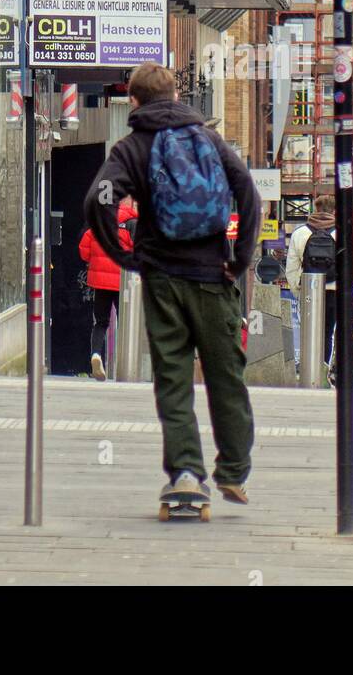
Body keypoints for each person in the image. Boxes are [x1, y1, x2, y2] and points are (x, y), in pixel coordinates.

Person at [83, 62, 260, 508]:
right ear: (177, 95)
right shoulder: (209, 138)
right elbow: (248, 193)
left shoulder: (131, 147)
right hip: (214, 276)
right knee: (226, 376)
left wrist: (125, 255)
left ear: (134, 100)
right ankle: (234, 470)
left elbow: (98, 199)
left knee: (173, 378)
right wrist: (238, 261)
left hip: (162, 277)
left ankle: (185, 472)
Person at [78, 197, 137, 380]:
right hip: (123, 281)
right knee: (125, 324)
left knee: (101, 322)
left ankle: (96, 355)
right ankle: (124, 366)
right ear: (130, 204)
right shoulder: (132, 223)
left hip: (100, 282)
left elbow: (84, 251)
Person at [285, 195, 337, 373]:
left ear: (315, 209)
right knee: (328, 332)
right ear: (333, 211)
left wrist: (296, 289)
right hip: (333, 290)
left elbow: (291, 266)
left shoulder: (300, 233)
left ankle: (309, 369)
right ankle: (323, 368)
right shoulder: (342, 233)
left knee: (308, 331)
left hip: (308, 288)